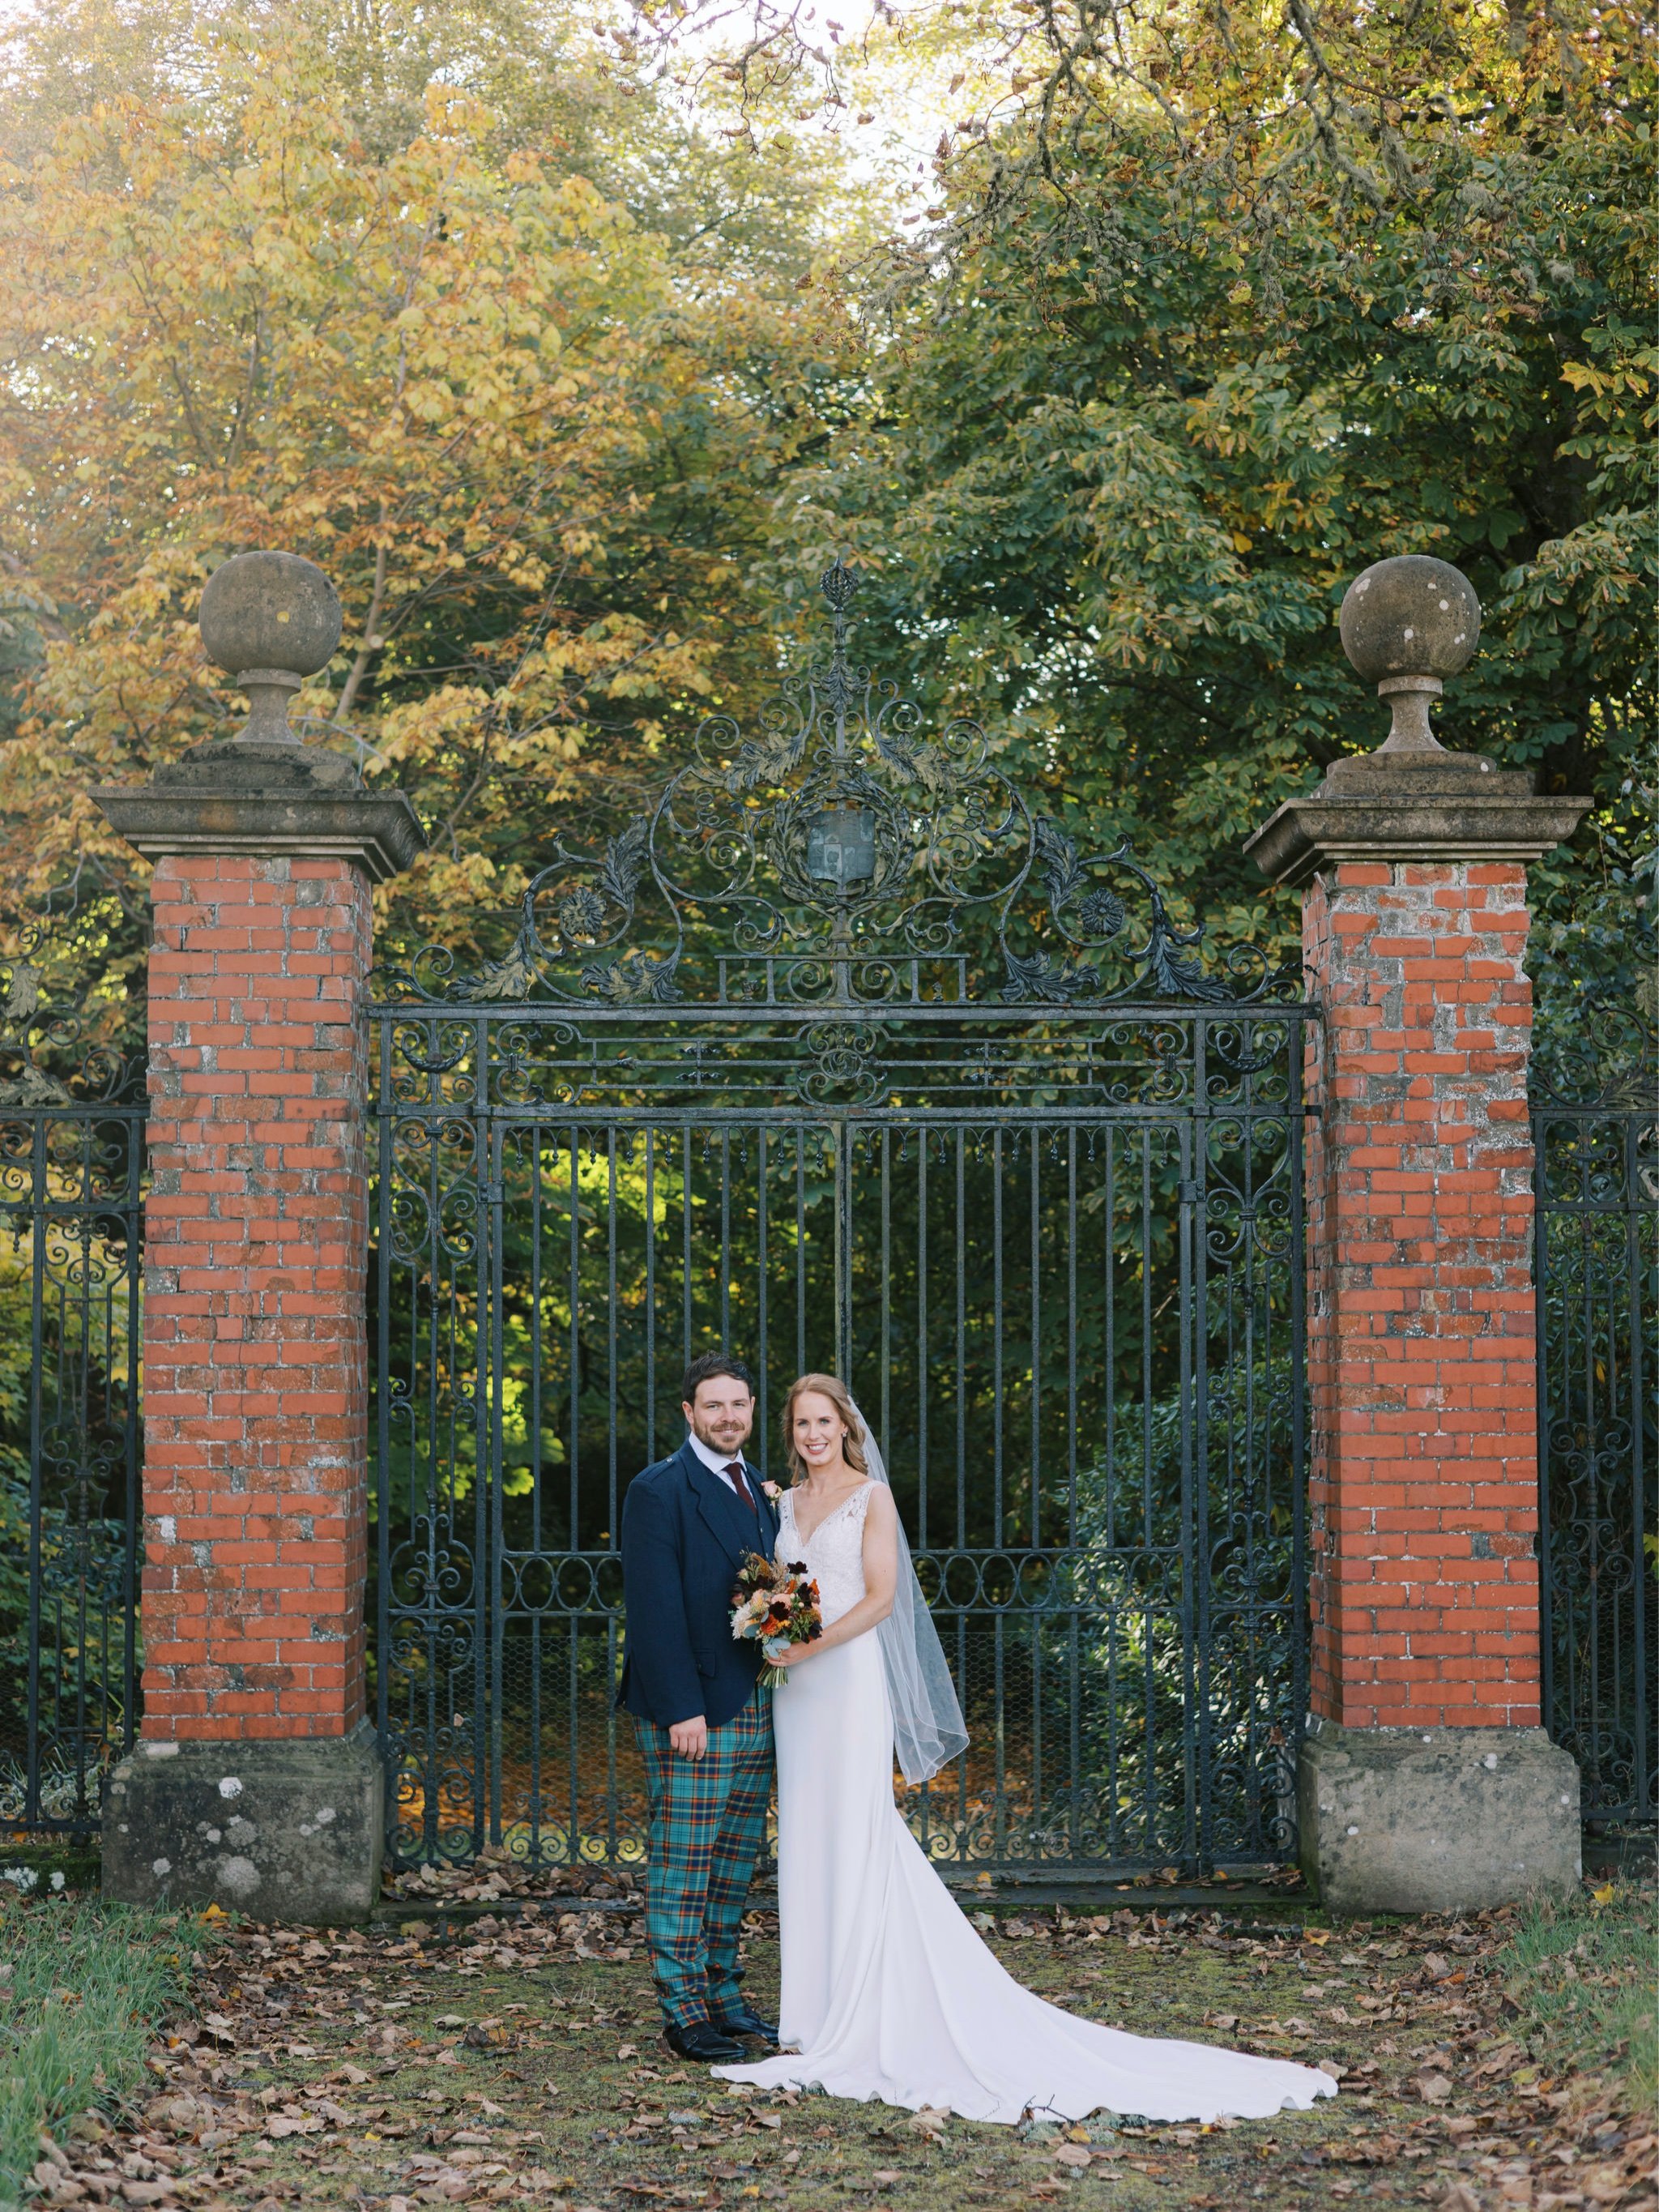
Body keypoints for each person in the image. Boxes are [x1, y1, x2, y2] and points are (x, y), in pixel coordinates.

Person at [710, 1373, 1339, 2126]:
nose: (814, 1435)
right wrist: (777, 1630)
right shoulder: (785, 1502)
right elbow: (785, 1582)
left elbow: (880, 1598)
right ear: (792, 1431)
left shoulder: (870, 1498)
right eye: (802, 1423)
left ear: (846, 1427)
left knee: (854, 1831)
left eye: (825, 1422)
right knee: (808, 1840)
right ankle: (809, 2020)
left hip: (844, 1681)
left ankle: (864, 2009)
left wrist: (812, 1648)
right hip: (799, 1694)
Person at [617, 1352, 783, 2063]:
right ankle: (683, 2011)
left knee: (734, 1863)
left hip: (755, 1701)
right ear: (689, 1413)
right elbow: (652, 1610)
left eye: (738, 1405)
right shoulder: (659, 1490)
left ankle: (725, 1997)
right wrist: (682, 1707)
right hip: (691, 1713)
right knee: (684, 1864)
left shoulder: (758, 1490)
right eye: (713, 1406)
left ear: (751, 1409)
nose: (728, 1418)